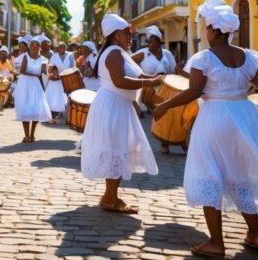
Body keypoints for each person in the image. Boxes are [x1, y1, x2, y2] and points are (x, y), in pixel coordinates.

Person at [154, 0, 258, 258]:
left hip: (215, 118)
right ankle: (255, 234)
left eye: (207, 28)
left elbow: (195, 91)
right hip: (244, 117)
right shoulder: (248, 57)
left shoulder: (203, 58)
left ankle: (216, 242)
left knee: (208, 174)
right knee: (242, 176)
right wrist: (242, 85)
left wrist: (165, 105)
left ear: (214, 30)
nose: (206, 32)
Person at [81, 14, 161, 214]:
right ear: (116, 35)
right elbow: (120, 80)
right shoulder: (114, 53)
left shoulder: (119, 53)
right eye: (127, 33)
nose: (131, 37)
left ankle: (111, 196)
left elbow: (136, 75)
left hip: (117, 104)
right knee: (115, 149)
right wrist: (149, 82)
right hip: (113, 105)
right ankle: (110, 198)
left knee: (118, 149)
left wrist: (155, 78)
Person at [132, 25, 179, 151]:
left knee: (166, 115)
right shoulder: (143, 53)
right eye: (149, 41)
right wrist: (139, 78)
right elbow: (128, 65)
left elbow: (175, 70)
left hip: (164, 89)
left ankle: (165, 142)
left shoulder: (167, 54)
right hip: (147, 90)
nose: (150, 44)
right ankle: (136, 143)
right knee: (138, 116)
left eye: (153, 41)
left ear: (159, 41)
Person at [13, 36, 52, 142]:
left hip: (35, 85)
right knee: (25, 108)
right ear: (29, 47)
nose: (34, 48)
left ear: (39, 47)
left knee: (36, 108)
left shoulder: (43, 59)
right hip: (25, 84)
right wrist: (35, 74)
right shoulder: (26, 56)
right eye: (32, 46)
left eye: (36, 46)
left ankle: (32, 135)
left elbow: (44, 72)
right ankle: (26, 135)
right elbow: (22, 71)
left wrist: (47, 75)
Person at [46, 41, 76, 123]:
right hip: (58, 78)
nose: (62, 48)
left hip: (69, 77)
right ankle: (53, 110)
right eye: (60, 47)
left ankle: (67, 115)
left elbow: (73, 69)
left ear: (65, 48)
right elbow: (50, 69)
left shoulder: (70, 55)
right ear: (57, 48)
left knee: (66, 93)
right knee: (52, 85)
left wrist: (62, 77)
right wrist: (52, 75)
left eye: (63, 47)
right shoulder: (54, 56)